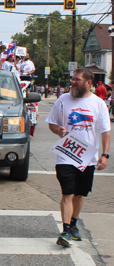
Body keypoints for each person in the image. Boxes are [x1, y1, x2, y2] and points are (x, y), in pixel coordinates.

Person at [45, 68, 110, 247]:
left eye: (77, 80)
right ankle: (65, 230)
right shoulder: (63, 100)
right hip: (66, 155)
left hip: (87, 157)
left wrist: (104, 155)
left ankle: (73, 224)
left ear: (89, 82)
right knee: (67, 192)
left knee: (80, 194)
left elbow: (105, 132)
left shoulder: (98, 104)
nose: (73, 82)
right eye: (72, 79)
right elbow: (51, 122)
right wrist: (58, 130)